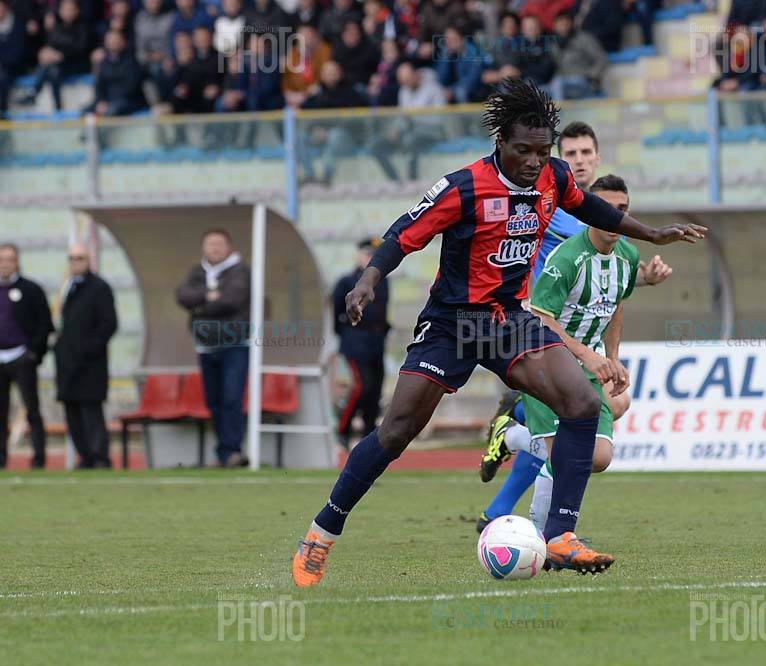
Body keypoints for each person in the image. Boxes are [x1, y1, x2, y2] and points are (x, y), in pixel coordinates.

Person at [290, 78, 706, 586]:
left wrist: (652, 232)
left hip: (509, 320)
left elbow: (592, 208)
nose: (535, 161)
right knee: (397, 432)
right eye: (524, 151)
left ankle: (560, 535)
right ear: (501, 144)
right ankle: (321, 532)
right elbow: (403, 234)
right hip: (453, 324)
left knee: (581, 402)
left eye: (543, 151)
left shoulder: (552, 177)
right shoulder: (463, 186)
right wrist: (368, 280)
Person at [476, 122, 671, 530]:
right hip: (535, 330)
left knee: (606, 415)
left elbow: (614, 287)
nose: (579, 161)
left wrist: (645, 279)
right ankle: (544, 530)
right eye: (571, 154)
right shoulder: (544, 204)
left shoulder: (609, 222)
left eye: (586, 153)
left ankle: (510, 444)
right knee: (567, 442)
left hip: (577, 337)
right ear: (556, 160)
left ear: (597, 157)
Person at [523, 175, 643, 533]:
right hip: (546, 361)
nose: (615, 217)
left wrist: (613, 355)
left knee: (599, 457)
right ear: (590, 212)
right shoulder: (568, 258)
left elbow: (617, 305)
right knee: (565, 456)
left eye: (621, 210)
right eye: (606, 209)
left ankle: (515, 438)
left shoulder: (629, 256)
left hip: (588, 368)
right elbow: (539, 315)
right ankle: (546, 537)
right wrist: (586, 355)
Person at [175, 229, 251, 468]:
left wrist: (200, 306)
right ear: (203, 248)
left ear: (228, 246)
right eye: (210, 244)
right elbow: (182, 296)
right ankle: (223, 452)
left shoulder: (240, 271)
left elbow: (232, 300)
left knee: (231, 397)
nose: (215, 248)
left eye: (219, 244)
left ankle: (233, 450)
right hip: (206, 346)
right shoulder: (198, 272)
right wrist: (210, 296)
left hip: (235, 344)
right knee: (214, 400)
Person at [54, 244, 118, 468]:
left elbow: (109, 324)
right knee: (72, 410)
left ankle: (99, 456)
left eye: (80, 258)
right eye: (71, 258)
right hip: (67, 362)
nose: (75, 262)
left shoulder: (99, 288)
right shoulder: (68, 287)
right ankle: (85, 457)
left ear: (89, 260)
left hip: (90, 364)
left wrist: (88, 349)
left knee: (91, 410)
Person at [331, 237, 391, 450]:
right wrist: (348, 334)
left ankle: (368, 438)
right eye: (367, 254)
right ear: (359, 255)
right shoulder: (346, 282)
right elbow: (337, 314)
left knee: (375, 391)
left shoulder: (383, 281)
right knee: (361, 386)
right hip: (355, 341)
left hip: (376, 342)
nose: (369, 259)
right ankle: (343, 429)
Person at [0, 243, 54, 469]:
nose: (5, 264)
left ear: (17, 261)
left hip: (22, 358)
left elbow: (45, 324)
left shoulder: (31, 289)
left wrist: (33, 353)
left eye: (9, 259)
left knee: (32, 409)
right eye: (1, 259)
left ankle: (39, 459)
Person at [370, 62, 447, 182]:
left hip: (432, 133)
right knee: (376, 145)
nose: (406, 83)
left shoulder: (434, 89)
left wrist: (412, 121)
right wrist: (396, 129)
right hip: (407, 132)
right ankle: (396, 180)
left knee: (409, 140)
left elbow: (440, 119)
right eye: (402, 80)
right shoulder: (404, 91)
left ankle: (413, 180)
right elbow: (403, 116)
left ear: (415, 74)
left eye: (408, 78)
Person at [15, 0, 90, 110]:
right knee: (52, 69)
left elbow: (81, 49)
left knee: (52, 69)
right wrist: (46, 52)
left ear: (77, 11)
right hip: (58, 64)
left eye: (71, 9)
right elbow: (51, 44)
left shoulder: (83, 26)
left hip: (77, 64)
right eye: (65, 9)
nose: (68, 12)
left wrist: (61, 54)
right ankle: (57, 105)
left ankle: (34, 93)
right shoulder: (56, 26)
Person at [88, 30, 148, 117]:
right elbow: (99, 85)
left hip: (129, 101)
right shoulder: (104, 62)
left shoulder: (132, 61)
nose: (113, 43)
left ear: (123, 42)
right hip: (108, 101)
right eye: (110, 41)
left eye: (115, 40)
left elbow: (131, 88)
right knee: (86, 112)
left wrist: (108, 103)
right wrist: (100, 101)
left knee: (111, 110)